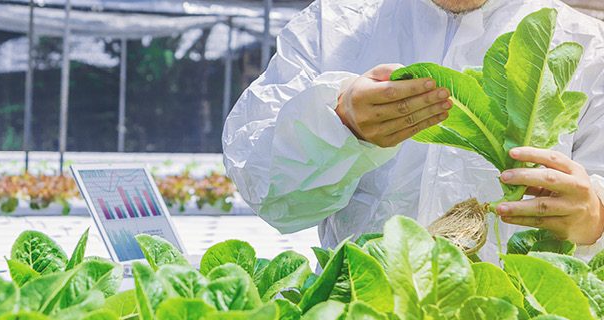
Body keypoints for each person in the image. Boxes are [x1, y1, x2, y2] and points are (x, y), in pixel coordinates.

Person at [222, 0, 604, 259]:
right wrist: (339, 123)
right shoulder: (335, 25)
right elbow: (269, 193)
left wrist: (592, 219)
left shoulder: (586, 46)